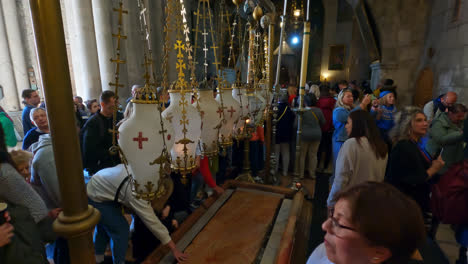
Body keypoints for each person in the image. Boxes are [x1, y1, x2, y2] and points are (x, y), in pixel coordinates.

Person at [87, 164, 188, 264]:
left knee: (103, 228)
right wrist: (174, 249)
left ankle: (97, 260)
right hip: (97, 193)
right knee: (121, 230)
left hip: (100, 184)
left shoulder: (148, 178)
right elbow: (154, 224)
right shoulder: (138, 193)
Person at [308, 182, 426, 264]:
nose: (324, 226)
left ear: (378, 253)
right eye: (332, 215)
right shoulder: (324, 251)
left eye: (339, 224)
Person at [386, 106, 445, 238]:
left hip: (411, 203)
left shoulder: (413, 144)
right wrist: (434, 168)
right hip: (404, 204)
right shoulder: (404, 146)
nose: (425, 123)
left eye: (425, 120)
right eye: (419, 120)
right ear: (407, 125)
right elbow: (415, 179)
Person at [327, 110, 388, 206]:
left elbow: (341, 179)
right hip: (372, 201)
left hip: (352, 202)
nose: (346, 126)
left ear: (357, 124)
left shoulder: (351, 143)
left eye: (348, 123)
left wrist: (331, 203)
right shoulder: (381, 146)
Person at [81, 90, 123, 175]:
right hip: (101, 167)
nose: (115, 109)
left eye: (116, 105)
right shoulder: (93, 123)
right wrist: (108, 152)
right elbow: (89, 150)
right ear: (103, 105)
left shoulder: (119, 117)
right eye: (111, 107)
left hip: (119, 163)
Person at [332, 89, 371, 177]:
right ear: (341, 98)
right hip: (341, 140)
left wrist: (373, 109)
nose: (351, 98)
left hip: (351, 139)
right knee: (340, 164)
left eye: (352, 96)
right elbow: (349, 117)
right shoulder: (338, 110)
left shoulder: (352, 108)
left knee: (349, 165)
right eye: (348, 96)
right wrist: (363, 104)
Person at [426, 103, 467, 174]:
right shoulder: (439, 122)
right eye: (459, 116)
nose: (461, 118)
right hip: (439, 159)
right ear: (450, 113)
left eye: (463, 116)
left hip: (455, 159)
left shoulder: (461, 122)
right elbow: (441, 139)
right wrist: (462, 133)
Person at [298, 93, 325, 179]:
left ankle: (301, 174)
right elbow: (323, 122)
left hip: (304, 135)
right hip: (316, 134)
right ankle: (312, 174)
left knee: (302, 155)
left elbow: (296, 124)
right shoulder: (319, 111)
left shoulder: (302, 110)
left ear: (305, 101)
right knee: (313, 155)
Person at [274, 92, 295, 177]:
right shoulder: (290, 109)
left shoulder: (275, 108)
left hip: (276, 133)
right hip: (286, 133)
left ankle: (274, 171)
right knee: (286, 153)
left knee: (276, 153)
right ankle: (285, 172)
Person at [317, 84, 336, 173]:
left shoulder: (319, 101)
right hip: (330, 125)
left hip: (320, 125)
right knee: (328, 147)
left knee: (320, 147)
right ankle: (326, 166)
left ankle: (318, 165)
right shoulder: (333, 101)